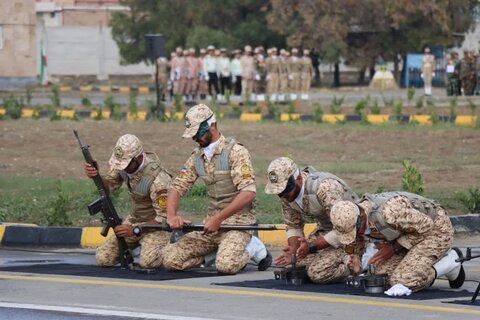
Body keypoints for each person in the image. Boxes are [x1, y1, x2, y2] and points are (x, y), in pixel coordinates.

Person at [162, 104, 271, 274]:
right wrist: (171, 216)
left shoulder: (236, 152)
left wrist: (218, 219)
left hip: (238, 224)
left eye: (198, 133)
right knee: (169, 260)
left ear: (212, 125)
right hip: (211, 225)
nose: (196, 138)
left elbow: (248, 193)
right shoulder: (197, 157)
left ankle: (253, 248)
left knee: (226, 266)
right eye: (193, 135)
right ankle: (213, 254)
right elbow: (176, 187)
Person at [329, 192, 465, 296]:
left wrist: (393, 248)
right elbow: (354, 245)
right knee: (382, 276)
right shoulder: (352, 217)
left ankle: (450, 263)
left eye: (354, 231)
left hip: (436, 229)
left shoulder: (389, 214)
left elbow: (426, 226)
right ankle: (420, 264)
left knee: (403, 282)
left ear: (362, 218)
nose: (354, 235)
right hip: (408, 235)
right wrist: (355, 265)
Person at [264, 157, 360, 283]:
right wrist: (294, 251)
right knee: (296, 265)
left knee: (317, 273)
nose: (283, 196)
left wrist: (310, 247)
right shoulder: (286, 196)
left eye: (285, 190)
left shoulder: (324, 188)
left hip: (351, 233)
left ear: (298, 179)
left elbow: (345, 227)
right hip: (327, 230)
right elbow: (293, 226)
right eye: (279, 192)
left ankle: (356, 262)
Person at [84, 134, 173, 268]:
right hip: (133, 220)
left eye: (126, 164)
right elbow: (109, 185)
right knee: (103, 258)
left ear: (139, 157)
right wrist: (96, 176)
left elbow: (165, 218)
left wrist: (135, 230)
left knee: (149, 262)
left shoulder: (158, 179)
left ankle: (171, 248)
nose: (122, 168)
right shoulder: (122, 165)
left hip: (155, 226)